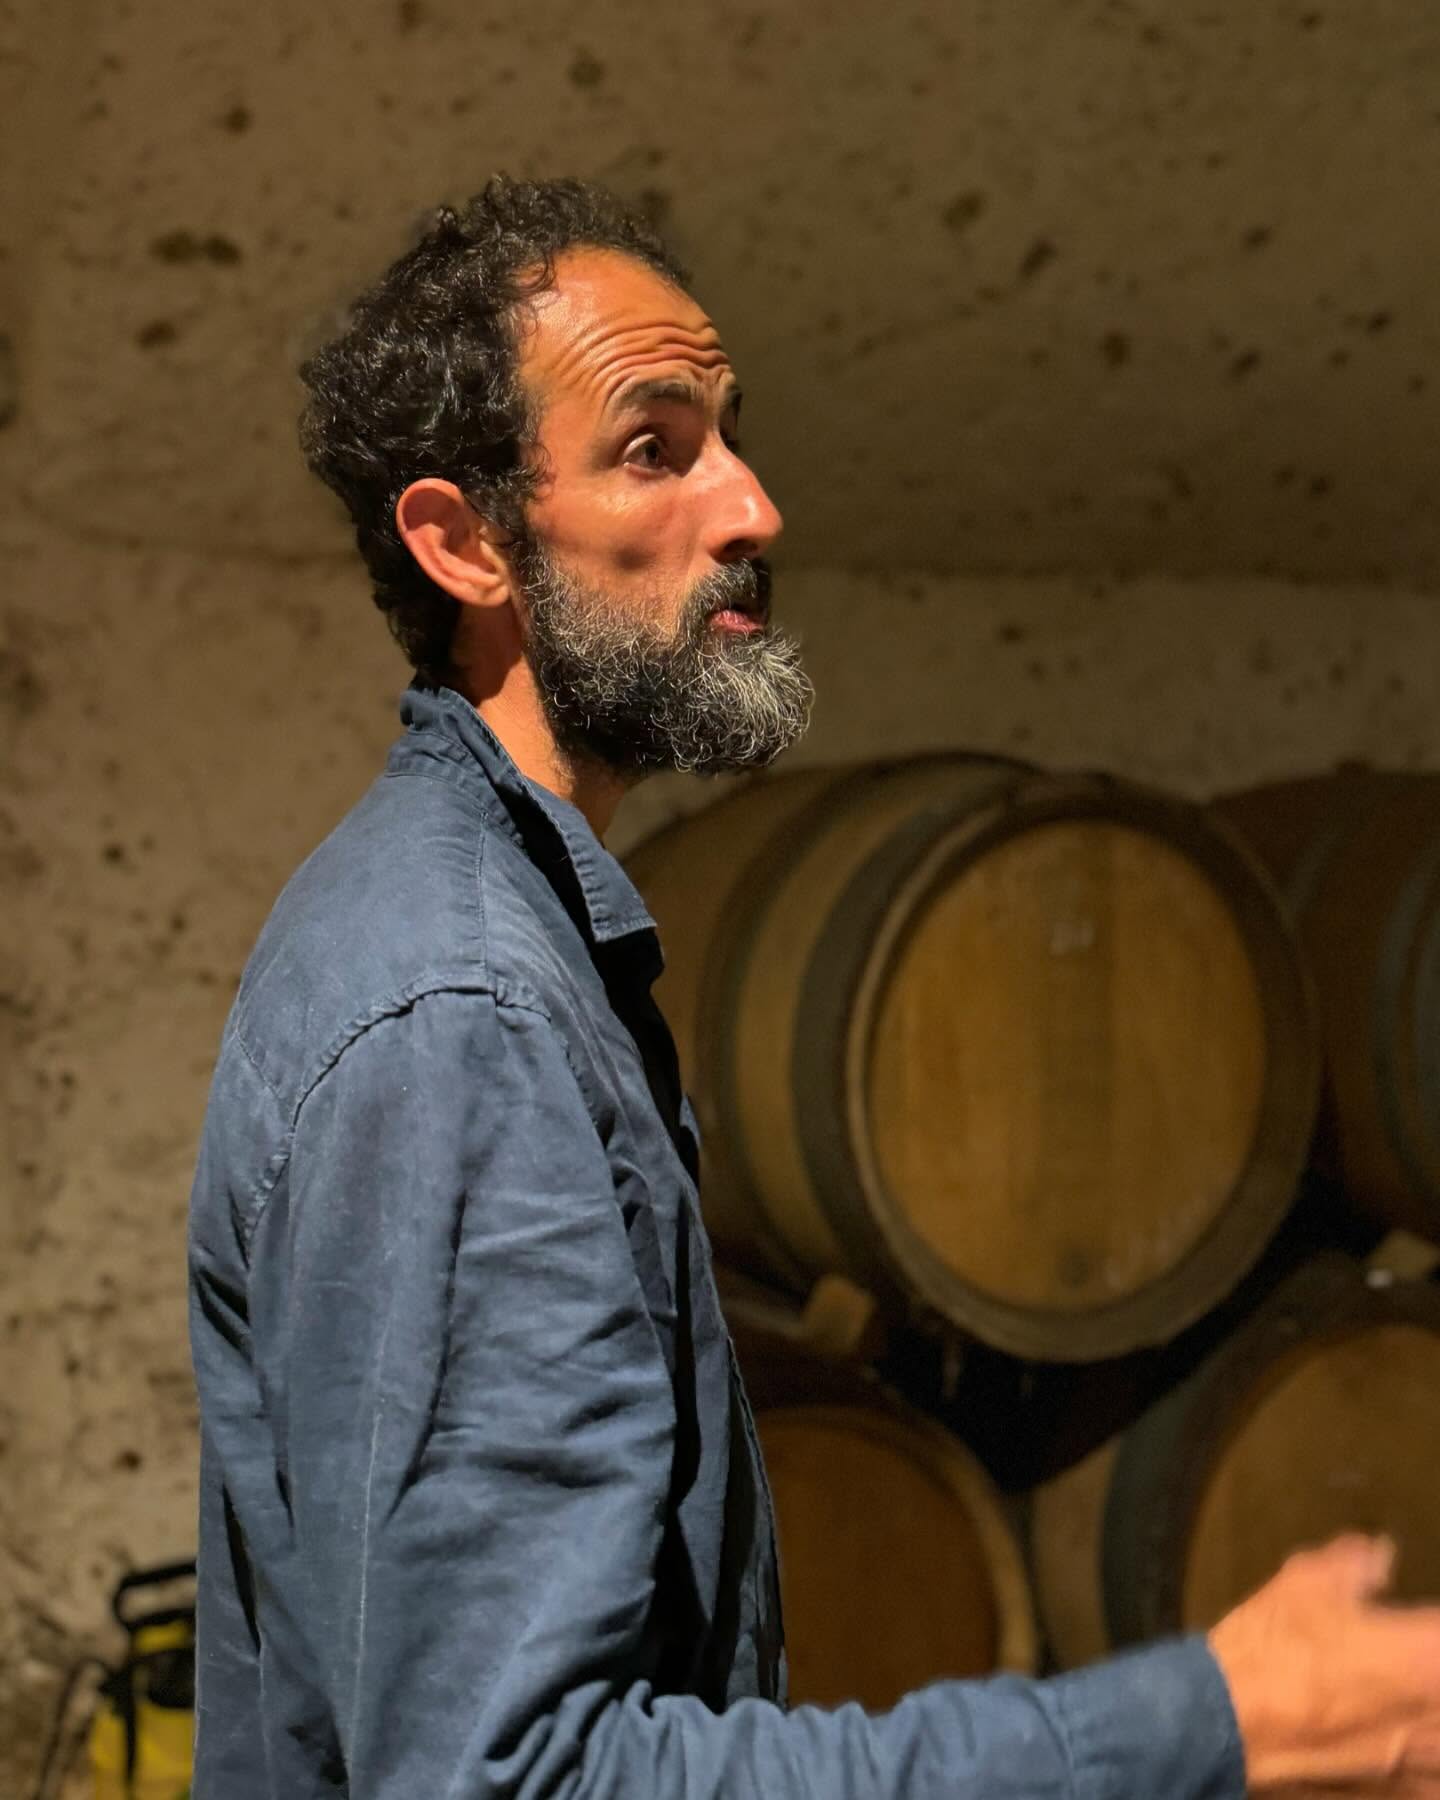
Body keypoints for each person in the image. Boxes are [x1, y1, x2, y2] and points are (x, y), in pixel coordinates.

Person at [186, 175, 1440, 1799]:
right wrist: (1206, 1720)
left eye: (732, 434)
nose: (755, 506)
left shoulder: (491, 927)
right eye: (657, 447)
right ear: (464, 541)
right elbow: (518, 1780)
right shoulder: (462, 1015)